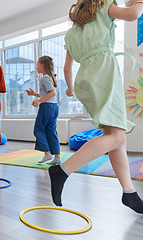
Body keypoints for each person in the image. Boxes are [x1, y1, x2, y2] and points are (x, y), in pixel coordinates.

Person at [49, 0, 143, 214]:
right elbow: (133, 14)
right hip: (104, 74)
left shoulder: (72, 31)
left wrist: (71, 88)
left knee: (116, 136)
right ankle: (62, 170)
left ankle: (129, 192)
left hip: (87, 79)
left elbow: (66, 67)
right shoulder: (104, 7)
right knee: (117, 137)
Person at [26, 56, 61, 165]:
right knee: (51, 132)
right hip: (54, 107)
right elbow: (49, 93)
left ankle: (47, 154)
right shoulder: (50, 77)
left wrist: (39, 101)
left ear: (42, 65)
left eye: (37, 64)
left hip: (46, 107)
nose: (36, 67)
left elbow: (52, 93)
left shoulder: (44, 78)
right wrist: (35, 94)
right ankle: (57, 157)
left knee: (38, 130)